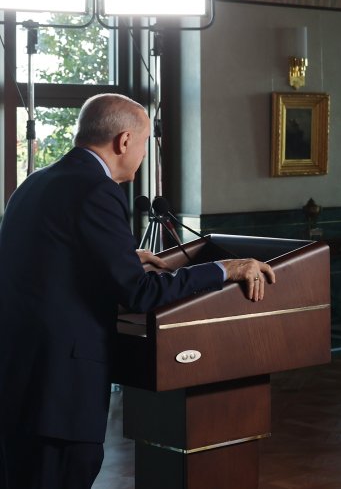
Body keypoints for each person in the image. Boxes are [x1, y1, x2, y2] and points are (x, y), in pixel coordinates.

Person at [0, 93, 274, 489]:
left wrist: (125, 257)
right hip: (59, 394)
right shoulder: (95, 188)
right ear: (124, 141)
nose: (144, 152)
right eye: (146, 142)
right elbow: (140, 293)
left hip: (20, 382)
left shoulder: (37, 182)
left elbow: (47, 265)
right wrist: (225, 268)